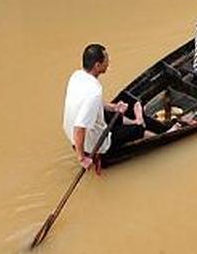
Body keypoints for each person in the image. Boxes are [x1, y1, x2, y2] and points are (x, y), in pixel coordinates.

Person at [63, 43, 159, 173]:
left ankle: (131, 120)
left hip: (73, 138)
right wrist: (82, 158)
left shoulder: (77, 76)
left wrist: (113, 107)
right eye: (106, 60)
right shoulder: (94, 92)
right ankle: (139, 122)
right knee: (138, 130)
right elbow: (79, 128)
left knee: (108, 113)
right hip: (95, 145)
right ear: (97, 65)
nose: (108, 63)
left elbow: (91, 103)